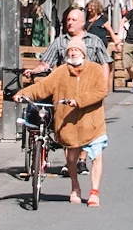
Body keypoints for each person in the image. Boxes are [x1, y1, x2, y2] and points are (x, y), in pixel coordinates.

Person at [17, 38, 111, 205]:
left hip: (92, 123)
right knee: (71, 159)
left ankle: (94, 191)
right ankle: (75, 186)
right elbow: (43, 87)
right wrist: (24, 93)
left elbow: (101, 90)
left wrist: (79, 100)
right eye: (70, 51)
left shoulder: (95, 69)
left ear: (83, 53)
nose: (73, 53)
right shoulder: (60, 72)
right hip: (69, 124)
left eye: (76, 50)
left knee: (96, 156)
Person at [39, 6, 110, 69]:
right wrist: (35, 70)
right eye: (68, 19)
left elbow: (105, 64)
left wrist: (105, 83)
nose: (70, 22)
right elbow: (45, 63)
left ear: (83, 23)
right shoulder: (59, 41)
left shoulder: (95, 41)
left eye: (74, 20)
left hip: (88, 81)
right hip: (66, 80)